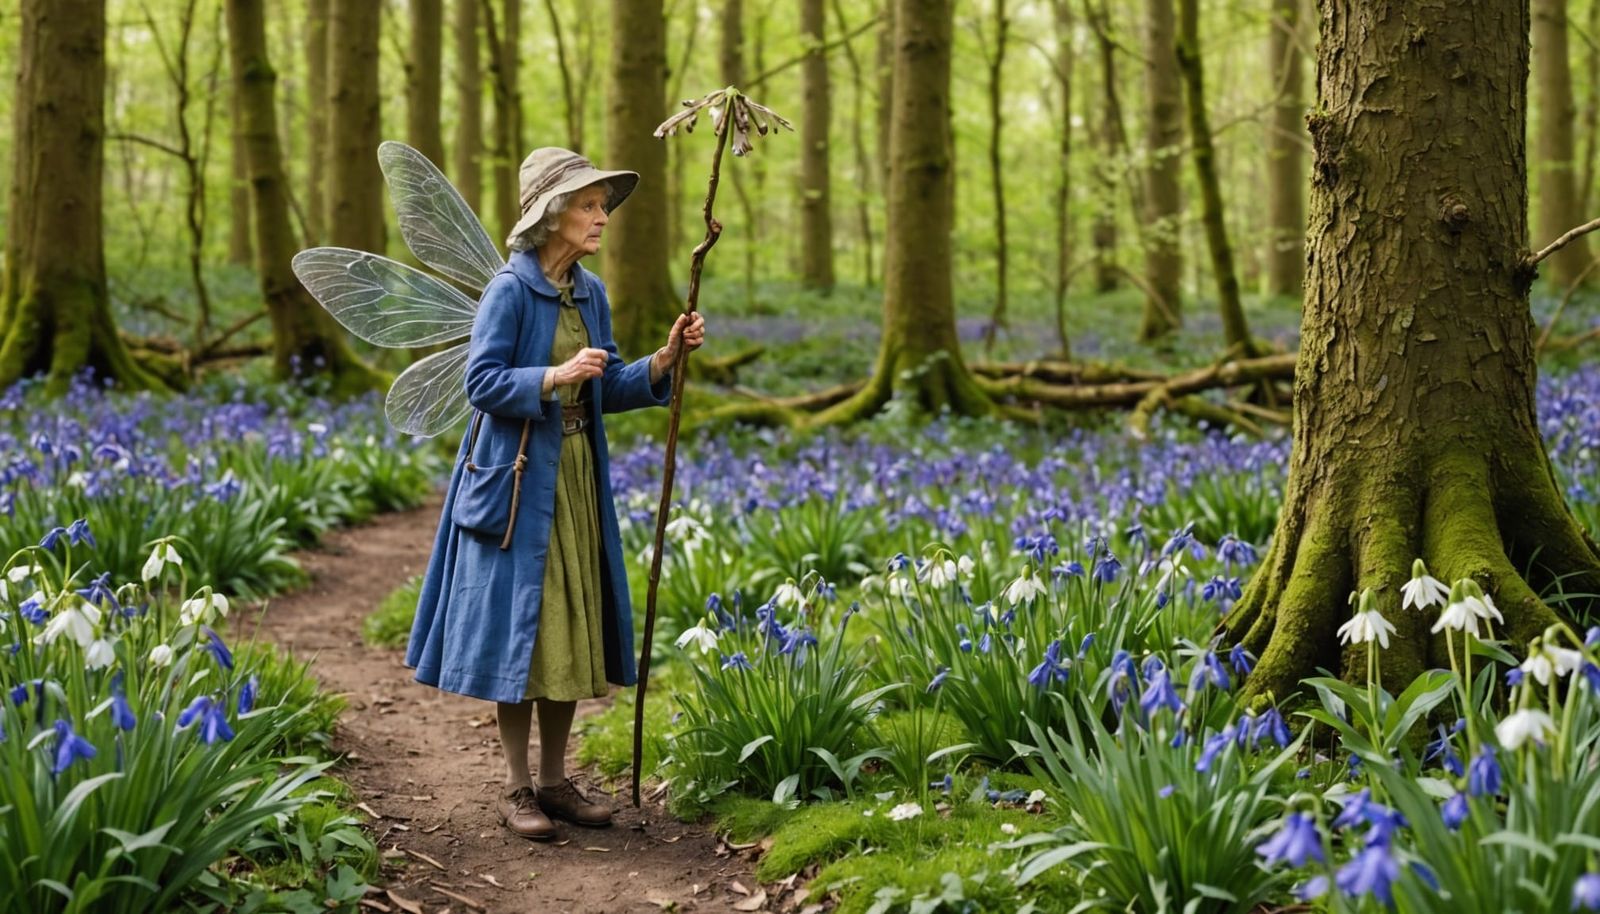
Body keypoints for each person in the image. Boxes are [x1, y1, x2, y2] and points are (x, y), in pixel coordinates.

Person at [404, 147, 705, 841]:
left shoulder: (588, 292)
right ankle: (514, 789)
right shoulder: (508, 292)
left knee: (567, 630)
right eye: (589, 205)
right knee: (525, 634)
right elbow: (480, 385)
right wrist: (552, 374)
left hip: (572, 476)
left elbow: (612, 383)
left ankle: (553, 782)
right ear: (550, 214)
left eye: (603, 205)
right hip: (513, 480)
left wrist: (664, 360)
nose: (602, 217)